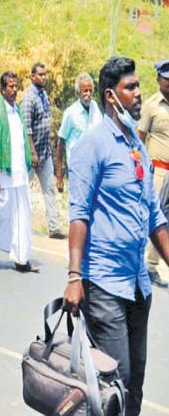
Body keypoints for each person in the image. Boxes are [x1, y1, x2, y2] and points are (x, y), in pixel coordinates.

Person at [64, 56, 169, 416]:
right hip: (104, 284)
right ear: (110, 95)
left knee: (135, 379)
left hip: (138, 285)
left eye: (139, 86)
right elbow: (78, 214)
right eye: (131, 87)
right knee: (115, 381)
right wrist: (74, 277)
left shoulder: (135, 146)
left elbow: (155, 216)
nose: (139, 94)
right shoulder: (93, 145)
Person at [0, 71, 38, 272]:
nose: (14, 89)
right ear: (2, 89)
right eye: (10, 86)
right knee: (3, 214)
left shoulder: (17, 111)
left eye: (16, 86)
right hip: (5, 174)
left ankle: (21, 259)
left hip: (20, 174)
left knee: (23, 217)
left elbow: (23, 140)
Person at [20, 62, 63, 239]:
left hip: (45, 153)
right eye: (40, 75)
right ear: (32, 77)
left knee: (49, 189)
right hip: (31, 154)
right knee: (22, 189)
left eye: (45, 74)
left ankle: (54, 228)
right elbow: (26, 128)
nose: (43, 77)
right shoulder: (29, 98)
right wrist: (33, 152)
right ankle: (14, 223)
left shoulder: (43, 95)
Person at [137, 59, 169, 288]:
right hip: (157, 170)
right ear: (159, 79)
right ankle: (143, 266)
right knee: (152, 217)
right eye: (166, 79)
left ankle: (152, 263)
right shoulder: (151, 105)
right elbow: (140, 139)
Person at [55, 72, 102, 195]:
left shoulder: (95, 108)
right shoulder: (71, 113)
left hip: (95, 167)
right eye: (85, 91)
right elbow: (60, 143)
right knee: (78, 206)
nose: (88, 94)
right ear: (78, 93)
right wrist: (59, 176)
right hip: (78, 169)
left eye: (90, 91)